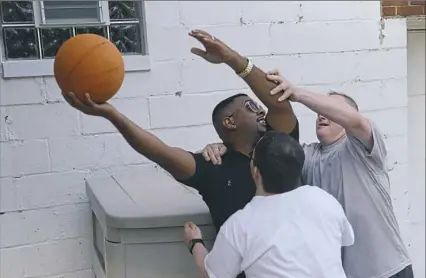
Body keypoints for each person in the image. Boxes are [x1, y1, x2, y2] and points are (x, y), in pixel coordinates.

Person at [62, 30, 298, 278]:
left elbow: (278, 102)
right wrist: (113, 115)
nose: (261, 111)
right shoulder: (213, 168)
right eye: (251, 107)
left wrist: (231, 58)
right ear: (230, 121)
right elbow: (159, 152)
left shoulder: (279, 147)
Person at [200, 71, 413, 278]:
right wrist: (226, 146)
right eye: (321, 109)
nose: (322, 113)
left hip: (389, 271)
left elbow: (356, 122)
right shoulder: (307, 156)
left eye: (332, 108)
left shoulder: (363, 149)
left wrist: (298, 94)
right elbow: (274, 153)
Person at [182, 131, 355, 278]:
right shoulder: (324, 200)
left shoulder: (240, 225)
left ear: (255, 172)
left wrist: (195, 242)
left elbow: (210, 273)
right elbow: (345, 239)